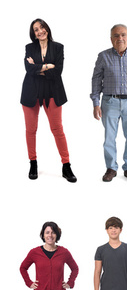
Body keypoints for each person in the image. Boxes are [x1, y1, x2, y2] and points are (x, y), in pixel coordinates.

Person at [90, 24, 127, 183]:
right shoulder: (103, 56)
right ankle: (111, 168)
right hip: (110, 102)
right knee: (109, 137)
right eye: (116, 35)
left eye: (123, 35)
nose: (120, 38)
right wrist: (96, 103)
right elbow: (96, 81)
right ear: (111, 39)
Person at [21, 18, 76, 182]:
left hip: (53, 91)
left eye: (42, 27)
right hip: (31, 92)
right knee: (31, 130)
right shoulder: (29, 48)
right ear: (34, 34)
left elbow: (58, 71)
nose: (40, 31)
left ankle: (66, 166)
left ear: (47, 28)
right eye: (36, 29)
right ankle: (33, 163)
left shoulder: (58, 47)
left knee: (57, 129)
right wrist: (47, 66)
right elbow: (28, 69)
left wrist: (38, 67)